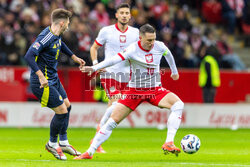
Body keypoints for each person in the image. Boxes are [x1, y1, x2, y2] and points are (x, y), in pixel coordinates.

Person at [75, 24, 184, 160]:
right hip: (135, 91)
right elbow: (113, 59)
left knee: (178, 105)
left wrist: (174, 71)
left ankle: (169, 142)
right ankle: (89, 152)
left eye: (153, 39)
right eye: (149, 40)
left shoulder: (159, 46)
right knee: (112, 121)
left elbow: (168, 54)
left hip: (155, 89)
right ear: (140, 38)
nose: (152, 43)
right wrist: (95, 68)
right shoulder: (132, 49)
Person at [24, 8, 85, 160]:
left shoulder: (56, 34)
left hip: (53, 78)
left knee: (68, 106)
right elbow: (29, 55)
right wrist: (40, 77)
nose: (69, 25)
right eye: (68, 23)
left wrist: (74, 57)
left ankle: (63, 142)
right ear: (62, 23)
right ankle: (52, 143)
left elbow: (60, 44)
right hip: (43, 82)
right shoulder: (46, 36)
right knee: (62, 111)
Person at [89, 3, 139, 153]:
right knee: (115, 103)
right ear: (116, 15)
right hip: (110, 73)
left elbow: (138, 52)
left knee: (116, 110)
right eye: (121, 12)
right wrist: (96, 65)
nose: (124, 15)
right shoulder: (107, 31)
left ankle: (96, 139)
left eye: (127, 13)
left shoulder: (135, 33)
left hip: (127, 75)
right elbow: (94, 48)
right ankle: (96, 143)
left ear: (130, 16)